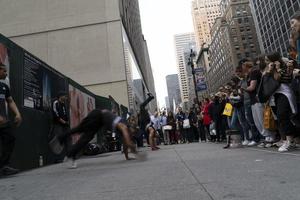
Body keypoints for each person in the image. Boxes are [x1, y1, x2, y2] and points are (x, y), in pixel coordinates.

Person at [57, 109, 138, 168]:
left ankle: (63, 140)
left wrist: (127, 157)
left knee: (83, 133)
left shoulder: (124, 131)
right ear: (130, 127)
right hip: (97, 116)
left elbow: (125, 145)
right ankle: (69, 153)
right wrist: (133, 148)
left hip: (99, 119)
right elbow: (126, 139)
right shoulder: (123, 125)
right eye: (132, 132)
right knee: (83, 133)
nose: (131, 134)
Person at [0, 63, 22, 176]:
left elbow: (10, 101)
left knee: (10, 139)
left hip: (4, 122)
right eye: (4, 71)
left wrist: (17, 114)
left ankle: (4, 166)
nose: (6, 73)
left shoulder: (4, 87)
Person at [49, 92, 70, 163]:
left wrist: (66, 121)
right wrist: (62, 121)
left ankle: (67, 156)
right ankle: (57, 158)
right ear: (60, 96)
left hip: (65, 125)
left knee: (66, 140)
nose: (66, 97)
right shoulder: (55, 102)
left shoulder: (64, 104)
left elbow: (65, 114)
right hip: (58, 124)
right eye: (65, 96)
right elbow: (55, 113)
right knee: (58, 140)